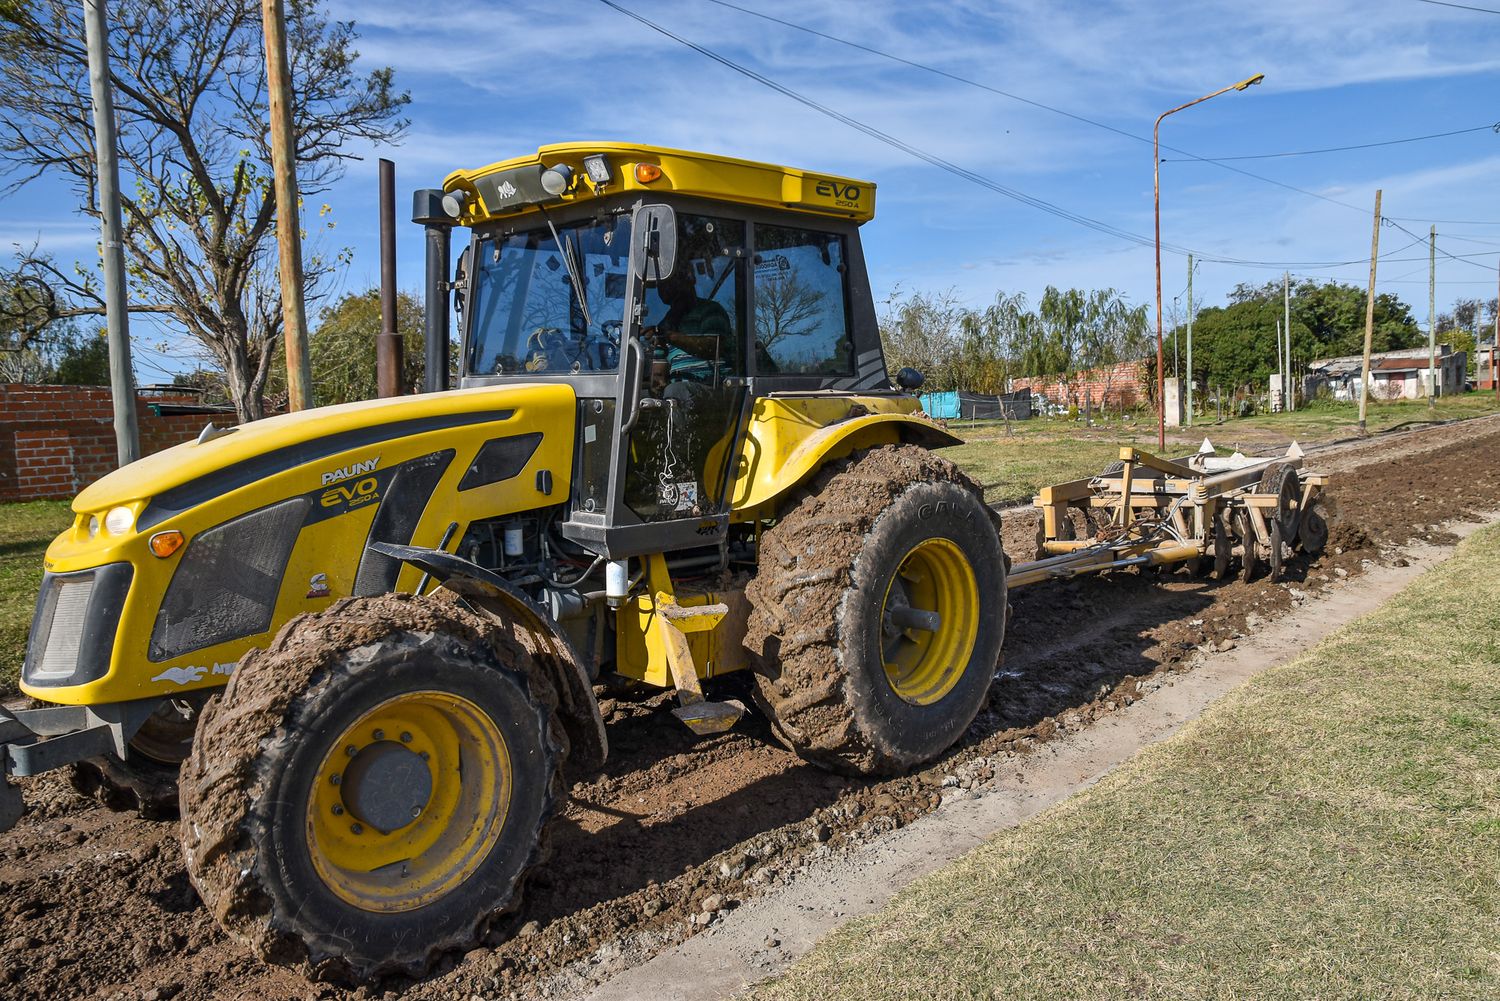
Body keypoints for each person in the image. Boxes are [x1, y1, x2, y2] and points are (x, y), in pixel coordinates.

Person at [643, 265, 732, 393]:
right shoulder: (665, 323)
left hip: (714, 386)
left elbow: (713, 347)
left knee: (676, 390)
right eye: (660, 282)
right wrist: (656, 382)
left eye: (670, 279)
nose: (664, 286)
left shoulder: (711, 310)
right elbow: (659, 364)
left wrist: (669, 337)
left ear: (690, 279)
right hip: (679, 391)